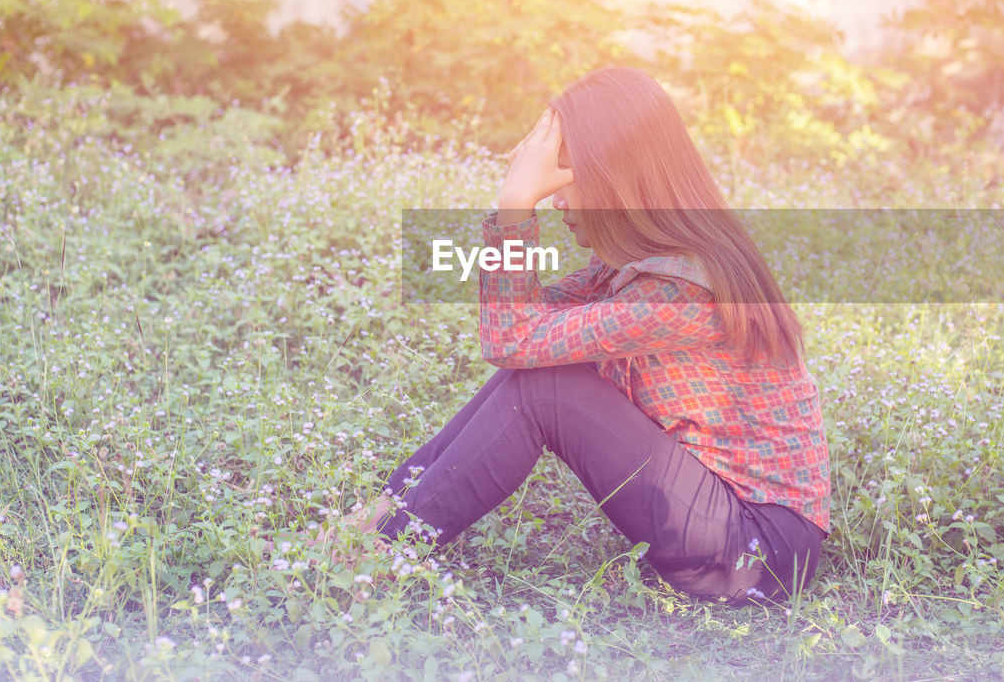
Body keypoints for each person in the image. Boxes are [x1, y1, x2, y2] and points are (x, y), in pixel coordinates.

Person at [313, 67, 829, 605]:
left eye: (567, 179)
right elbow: (522, 330)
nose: (558, 202)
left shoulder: (681, 291)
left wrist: (516, 204)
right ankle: (373, 525)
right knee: (537, 375)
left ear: (616, 178)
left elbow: (511, 337)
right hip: (725, 525)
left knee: (546, 386)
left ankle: (375, 555)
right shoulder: (630, 270)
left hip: (758, 550)